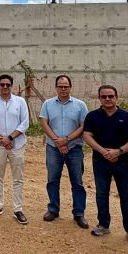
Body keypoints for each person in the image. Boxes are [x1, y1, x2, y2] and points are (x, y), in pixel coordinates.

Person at [82, 85, 128, 244]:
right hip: (100, 162)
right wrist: (103, 152)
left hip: (123, 163)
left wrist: (119, 151)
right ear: (99, 98)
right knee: (101, 194)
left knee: (126, 196)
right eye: (104, 97)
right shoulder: (93, 116)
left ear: (116, 97)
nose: (107, 99)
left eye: (110, 96)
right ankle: (103, 224)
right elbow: (87, 135)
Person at [39, 75, 89, 227]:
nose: (63, 89)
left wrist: (66, 140)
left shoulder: (80, 105)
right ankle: (53, 209)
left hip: (74, 148)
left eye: (66, 86)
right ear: (56, 87)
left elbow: (83, 126)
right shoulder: (47, 104)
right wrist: (57, 141)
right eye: (60, 86)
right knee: (52, 180)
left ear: (70, 87)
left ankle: (79, 213)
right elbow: (44, 123)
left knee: (77, 182)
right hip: (53, 148)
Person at [0, 74, 30, 224]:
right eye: (2, 85)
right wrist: (1, 139)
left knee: (18, 178)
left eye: (7, 85)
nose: (5, 87)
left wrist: (9, 138)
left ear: (11, 86)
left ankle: (18, 209)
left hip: (17, 145)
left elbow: (25, 123)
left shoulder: (20, 102)